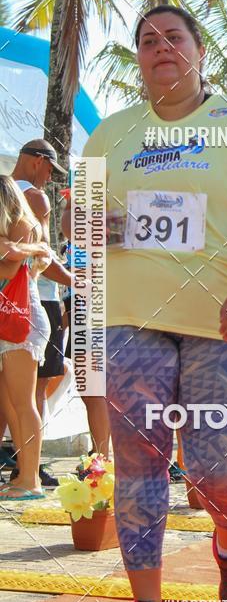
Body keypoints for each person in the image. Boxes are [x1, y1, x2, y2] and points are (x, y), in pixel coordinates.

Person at [82, 4, 227, 602]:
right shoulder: (108, 136)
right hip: (131, 319)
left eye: (173, 37)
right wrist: (116, 224)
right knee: (139, 462)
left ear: (200, 52)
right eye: (147, 41)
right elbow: (90, 232)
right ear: (138, 61)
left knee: (214, 469)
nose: (160, 47)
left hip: (221, 320)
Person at [11, 139, 72, 487]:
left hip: (9, 297)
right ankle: (29, 469)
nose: (49, 177)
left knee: (13, 392)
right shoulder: (35, 197)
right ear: (37, 161)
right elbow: (43, 259)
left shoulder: (5, 190)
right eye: (50, 168)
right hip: (37, 298)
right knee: (34, 392)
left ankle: (24, 467)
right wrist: (76, 280)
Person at [0, 176, 53, 500]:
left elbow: (7, 268)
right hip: (11, 320)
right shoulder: (14, 230)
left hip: (22, 319)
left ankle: (31, 479)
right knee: (10, 403)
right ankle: (23, 476)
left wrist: (21, 248)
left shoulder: (20, 224)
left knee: (23, 402)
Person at [59, 189, 111, 458]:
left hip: (93, 313)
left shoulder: (94, 238)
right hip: (82, 309)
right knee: (89, 390)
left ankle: (102, 458)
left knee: (93, 390)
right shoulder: (78, 242)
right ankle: (99, 453)